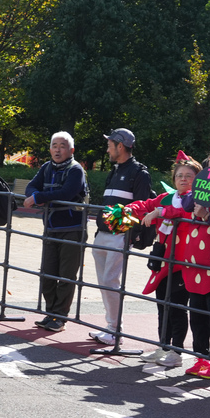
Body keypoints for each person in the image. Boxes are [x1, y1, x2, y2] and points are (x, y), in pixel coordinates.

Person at [160, 138, 210, 379]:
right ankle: (202, 357)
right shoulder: (202, 185)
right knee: (197, 309)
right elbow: (185, 203)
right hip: (195, 257)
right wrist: (193, 199)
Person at [124, 152, 201, 368]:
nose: (183, 179)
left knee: (177, 307)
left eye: (189, 176)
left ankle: (176, 352)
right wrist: (129, 209)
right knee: (162, 306)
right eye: (179, 176)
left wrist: (160, 211)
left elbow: (182, 213)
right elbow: (147, 204)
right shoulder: (168, 198)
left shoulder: (197, 200)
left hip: (183, 262)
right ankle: (163, 347)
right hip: (164, 261)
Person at [89, 128, 152, 346]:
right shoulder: (114, 170)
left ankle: (115, 330)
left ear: (120, 146)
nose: (107, 149)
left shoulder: (139, 173)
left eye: (109, 145)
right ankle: (110, 327)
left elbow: (143, 207)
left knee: (110, 281)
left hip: (119, 236)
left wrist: (128, 236)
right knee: (103, 282)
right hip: (102, 234)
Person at [23, 131, 89, 332]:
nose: (57, 149)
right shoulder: (46, 167)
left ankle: (60, 317)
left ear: (71, 150)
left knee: (66, 276)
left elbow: (67, 193)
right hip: (51, 228)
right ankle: (50, 313)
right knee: (47, 274)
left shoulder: (76, 170)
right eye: (54, 145)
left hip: (72, 229)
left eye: (62, 146)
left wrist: (38, 197)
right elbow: (31, 186)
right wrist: (34, 194)